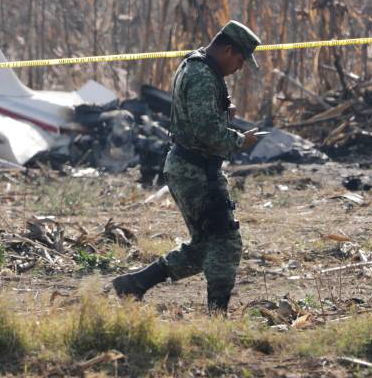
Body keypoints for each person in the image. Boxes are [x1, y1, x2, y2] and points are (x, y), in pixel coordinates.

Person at [112, 20, 264, 313]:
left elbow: (199, 118)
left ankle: (136, 284)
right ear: (228, 49)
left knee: (204, 246)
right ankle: (217, 318)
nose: (240, 67)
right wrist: (239, 140)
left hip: (192, 167)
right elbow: (206, 130)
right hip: (196, 171)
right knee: (225, 243)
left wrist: (223, 113)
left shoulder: (197, 66)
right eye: (240, 59)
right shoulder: (204, 76)